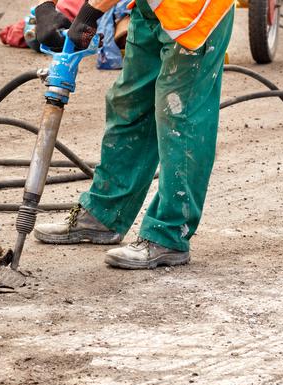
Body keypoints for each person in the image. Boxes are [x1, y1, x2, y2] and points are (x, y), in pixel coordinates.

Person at [32, 0, 235, 269]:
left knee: (178, 113)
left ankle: (168, 235)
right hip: (152, 8)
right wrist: (46, 7)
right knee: (129, 101)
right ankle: (104, 214)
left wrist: (91, 13)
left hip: (194, 10)